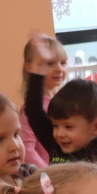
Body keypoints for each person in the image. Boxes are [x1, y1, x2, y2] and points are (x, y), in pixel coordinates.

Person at [24, 28, 97, 178]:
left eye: (68, 126)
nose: (59, 133)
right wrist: (39, 67)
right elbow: (33, 110)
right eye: (55, 125)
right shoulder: (55, 145)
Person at [20, 34, 67, 168]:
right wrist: (50, 172)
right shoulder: (30, 110)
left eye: (63, 63)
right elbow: (28, 149)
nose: (59, 69)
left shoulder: (67, 102)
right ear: (30, 67)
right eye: (50, 63)